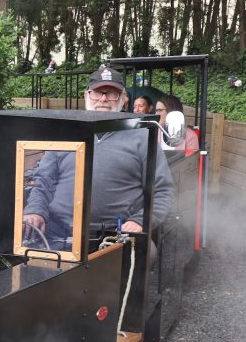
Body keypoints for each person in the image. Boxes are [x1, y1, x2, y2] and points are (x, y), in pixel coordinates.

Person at [23, 66, 174, 246]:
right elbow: (43, 181)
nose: (103, 99)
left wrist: (139, 221)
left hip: (114, 239)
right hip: (57, 235)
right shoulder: (64, 134)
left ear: (123, 99)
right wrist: (35, 211)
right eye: (97, 93)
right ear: (86, 96)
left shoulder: (143, 137)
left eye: (111, 93)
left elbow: (162, 191)